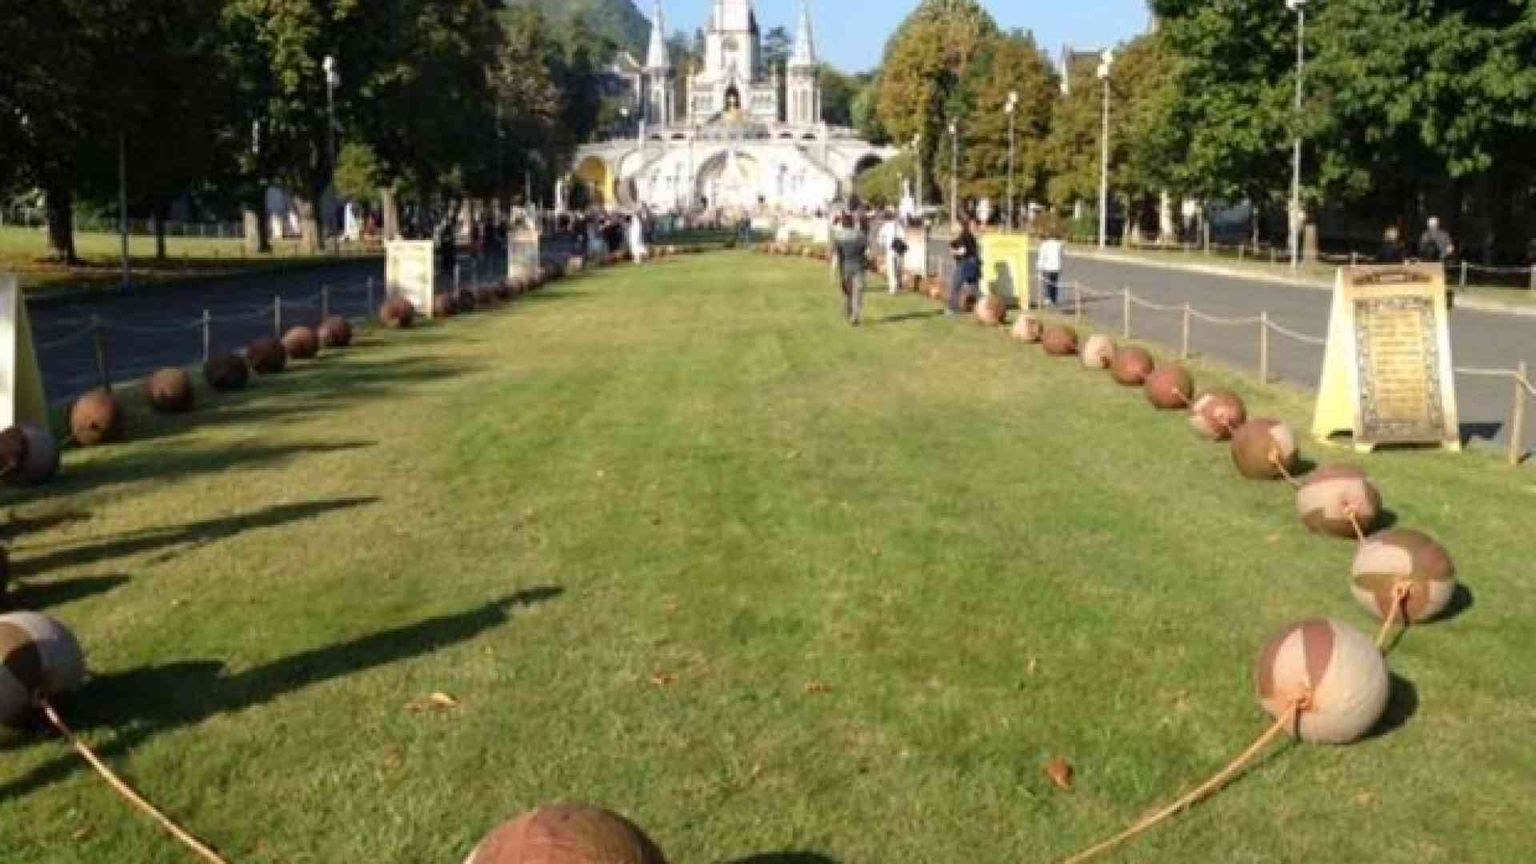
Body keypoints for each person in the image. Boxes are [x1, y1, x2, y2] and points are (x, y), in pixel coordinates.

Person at [833, 213, 869, 326]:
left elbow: (839, 255)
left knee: (849, 291)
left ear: (843, 223)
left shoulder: (838, 236)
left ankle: (849, 309)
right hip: (858, 265)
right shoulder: (860, 235)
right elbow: (865, 251)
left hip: (846, 265)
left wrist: (840, 272)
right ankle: (855, 315)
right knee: (857, 291)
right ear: (853, 223)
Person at [947, 219, 981, 316]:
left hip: (965, 263)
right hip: (972, 263)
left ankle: (953, 308)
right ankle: (976, 306)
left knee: (955, 285)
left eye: (954, 227)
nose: (953, 229)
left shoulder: (963, 236)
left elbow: (962, 251)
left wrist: (954, 251)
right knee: (973, 286)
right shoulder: (969, 236)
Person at [877, 212, 906, 294]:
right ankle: (899, 283)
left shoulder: (884, 227)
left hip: (889, 249)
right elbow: (903, 237)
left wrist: (884, 244)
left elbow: (880, 240)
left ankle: (893, 287)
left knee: (891, 269)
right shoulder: (898, 226)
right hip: (899, 249)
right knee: (898, 268)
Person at [1036, 232, 1065, 307]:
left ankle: (1048, 299)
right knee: (1054, 284)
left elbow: (1042, 257)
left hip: (1047, 267)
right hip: (1056, 267)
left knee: (1047, 284)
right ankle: (1054, 300)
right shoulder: (1059, 245)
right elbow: (1061, 256)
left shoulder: (1044, 245)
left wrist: (1039, 268)